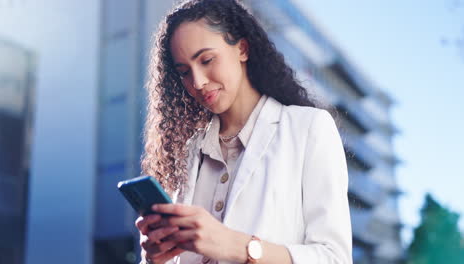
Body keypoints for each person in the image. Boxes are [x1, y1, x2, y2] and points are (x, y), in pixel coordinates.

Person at [135, 0, 352, 263]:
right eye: (184, 72)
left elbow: (335, 258)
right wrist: (155, 259)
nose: (198, 82)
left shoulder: (308, 128)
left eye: (207, 60)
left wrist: (236, 246)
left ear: (242, 48)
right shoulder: (191, 151)